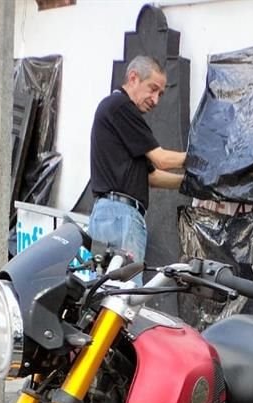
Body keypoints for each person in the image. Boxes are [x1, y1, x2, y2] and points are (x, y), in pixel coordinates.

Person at [87, 55, 186, 274]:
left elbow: (151, 176)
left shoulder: (115, 110)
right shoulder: (121, 106)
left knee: (104, 294)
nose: (156, 99)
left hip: (108, 213)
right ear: (133, 78)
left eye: (160, 94)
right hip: (122, 214)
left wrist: (191, 184)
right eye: (152, 89)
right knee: (125, 296)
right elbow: (161, 159)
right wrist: (200, 160)